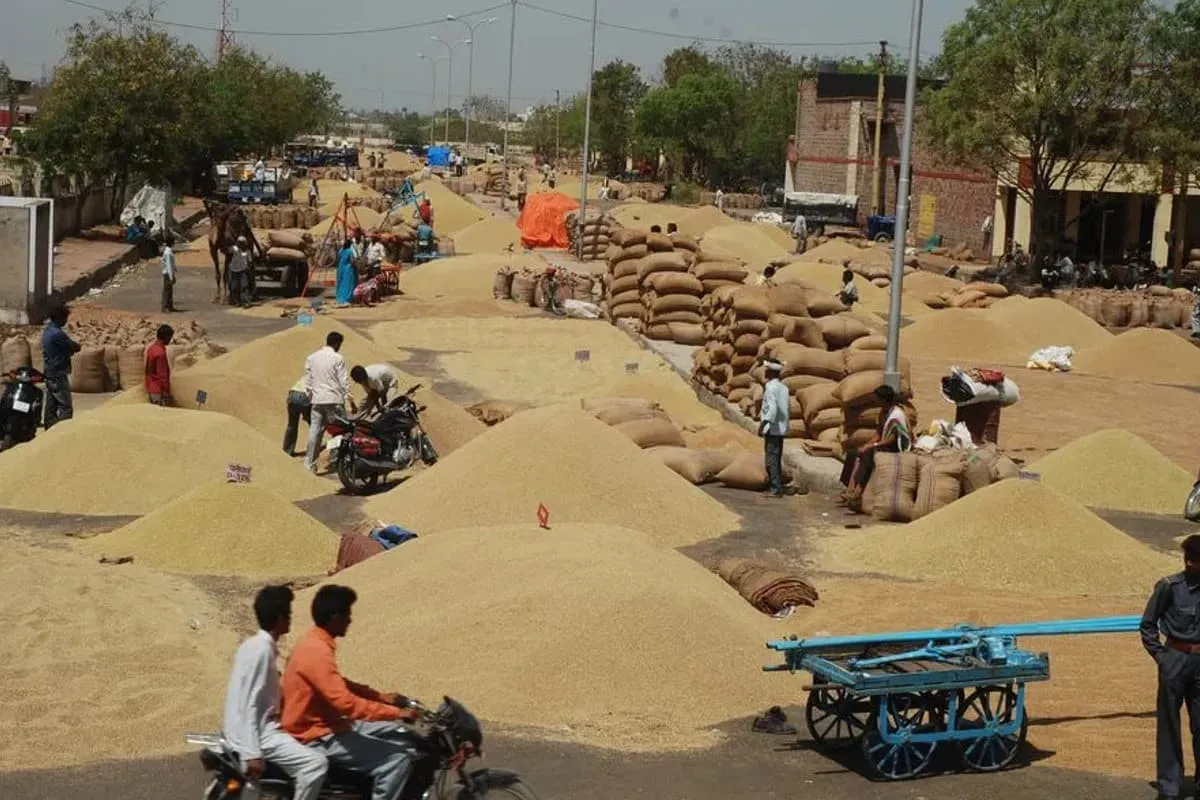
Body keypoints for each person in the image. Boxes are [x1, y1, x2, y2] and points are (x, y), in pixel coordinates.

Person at [282, 585, 417, 800]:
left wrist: (380, 697)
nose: (350, 620)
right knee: (398, 759)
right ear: (335, 617)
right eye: (347, 614)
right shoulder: (317, 651)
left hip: (328, 722)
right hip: (317, 733)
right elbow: (345, 703)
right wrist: (396, 713)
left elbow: (339, 684)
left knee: (393, 733)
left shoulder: (313, 641)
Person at [223, 586, 328, 800]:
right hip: (260, 734)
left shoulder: (251, 645)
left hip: (244, 730)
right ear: (279, 617)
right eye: (288, 613)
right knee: (316, 764)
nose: (290, 619)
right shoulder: (262, 651)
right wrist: (252, 753)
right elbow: (251, 703)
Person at [1142, 533, 1200, 800]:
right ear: (1189, 562)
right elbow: (1148, 625)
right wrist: (1162, 657)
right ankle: (1170, 786)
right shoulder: (1169, 586)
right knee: (1169, 724)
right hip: (1174, 659)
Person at [839, 384, 912, 507]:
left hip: (895, 447)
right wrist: (867, 444)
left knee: (868, 454)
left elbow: (890, 440)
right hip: (883, 443)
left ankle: (858, 490)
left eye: (876, 399)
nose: (874, 401)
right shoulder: (883, 413)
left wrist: (871, 446)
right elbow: (879, 432)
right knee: (853, 452)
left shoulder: (896, 416)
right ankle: (848, 488)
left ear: (883, 399)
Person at [304, 331, 353, 472]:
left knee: (314, 432)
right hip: (333, 399)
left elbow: (308, 381)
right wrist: (349, 398)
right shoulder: (337, 358)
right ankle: (338, 461)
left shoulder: (311, 358)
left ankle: (309, 464)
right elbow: (343, 381)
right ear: (337, 344)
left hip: (317, 400)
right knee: (341, 432)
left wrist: (310, 397)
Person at [41, 301, 81, 428]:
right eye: (64, 318)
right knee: (66, 406)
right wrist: (76, 347)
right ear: (59, 317)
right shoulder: (57, 334)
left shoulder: (47, 331)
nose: (65, 321)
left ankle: (49, 427)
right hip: (58, 372)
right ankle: (63, 430)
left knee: (51, 403)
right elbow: (73, 346)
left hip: (49, 371)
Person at [758, 359, 789, 498]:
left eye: (766, 370)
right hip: (781, 428)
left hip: (772, 428)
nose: (764, 372)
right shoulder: (783, 388)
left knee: (771, 459)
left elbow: (772, 409)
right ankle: (777, 486)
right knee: (776, 457)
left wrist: (763, 424)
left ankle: (775, 488)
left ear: (770, 372)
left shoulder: (770, 388)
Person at [283, 375, 312, 456]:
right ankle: (312, 452)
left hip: (292, 395)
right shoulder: (322, 377)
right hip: (304, 396)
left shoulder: (309, 373)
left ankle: (287, 451)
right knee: (315, 425)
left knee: (292, 425)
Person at [145, 324, 174, 406]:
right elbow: (162, 374)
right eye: (170, 337)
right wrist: (166, 391)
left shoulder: (151, 348)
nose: (170, 340)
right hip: (158, 390)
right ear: (166, 337)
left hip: (151, 386)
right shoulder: (160, 353)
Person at [228, 237, 252, 307]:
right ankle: (237, 301)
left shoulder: (247, 251)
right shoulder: (235, 249)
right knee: (234, 287)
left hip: (243, 271)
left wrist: (248, 268)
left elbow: (250, 261)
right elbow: (227, 250)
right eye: (240, 243)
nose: (241, 244)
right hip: (234, 270)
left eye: (243, 243)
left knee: (244, 286)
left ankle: (246, 302)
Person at [335, 240, 357, 306]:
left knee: (341, 283)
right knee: (348, 283)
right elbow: (352, 260)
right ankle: (347, 298)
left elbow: (338, 259)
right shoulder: (350, 251)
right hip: (348, 269)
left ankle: (340, 298)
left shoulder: (341, 251)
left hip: (341, 268)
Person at [161, 233, 177, 313]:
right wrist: (172, 277)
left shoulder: (168, 251)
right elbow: (169, 266)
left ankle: (170, 306)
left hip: (168, 273)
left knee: (169, 291)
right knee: (167, 291)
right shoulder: (168, 253)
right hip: (167, 274)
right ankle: (165, 307)